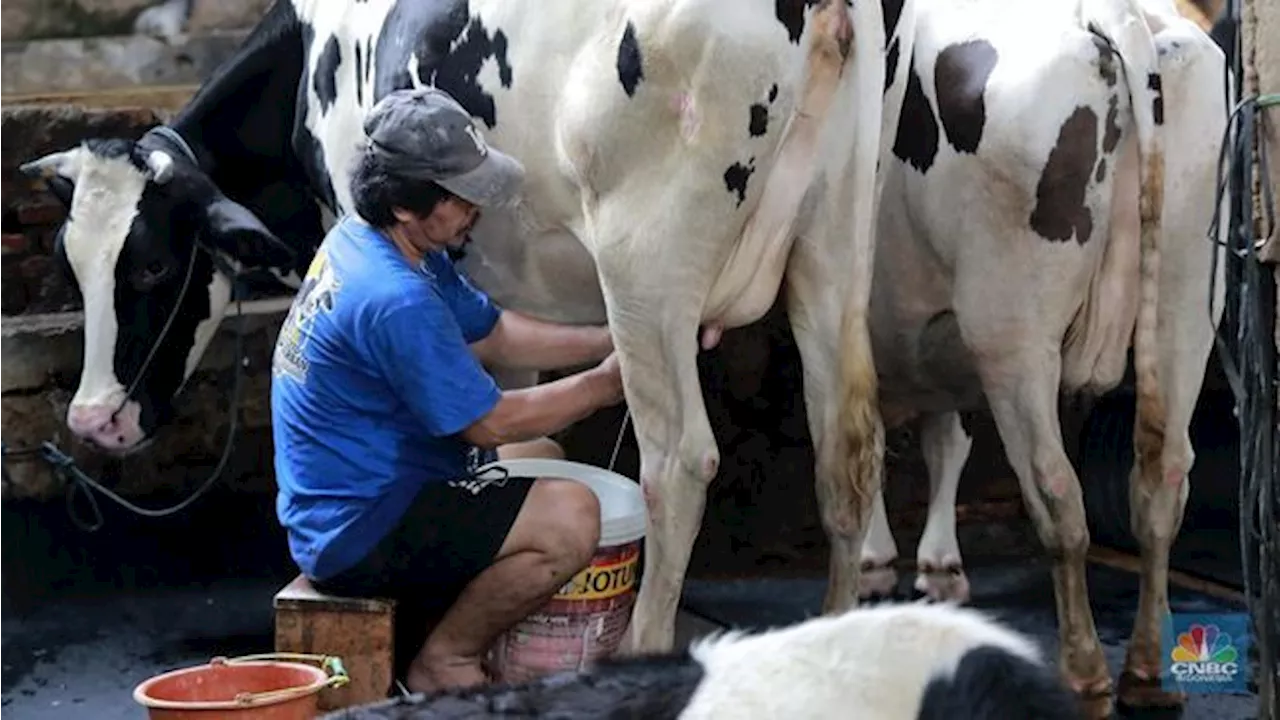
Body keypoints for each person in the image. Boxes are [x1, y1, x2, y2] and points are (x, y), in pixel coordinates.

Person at [269, 86, 625, 694]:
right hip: (358, 528)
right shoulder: (393, 298)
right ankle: (447, 658)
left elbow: (495, 334)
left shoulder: (373, 238)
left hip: (366, 482)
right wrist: (605, 385)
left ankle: (447, 612)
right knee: (571, 517)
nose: (475, 211)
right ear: (408, 205)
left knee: (547, 456)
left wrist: (611, 337)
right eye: (461, 197)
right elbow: (488, 423)